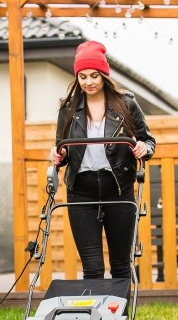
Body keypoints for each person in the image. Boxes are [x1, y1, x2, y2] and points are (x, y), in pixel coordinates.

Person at [48, 40, 155, 281]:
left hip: (118, 188)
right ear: (77, 77)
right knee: (93, 267)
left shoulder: (126, 104)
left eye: (94, 75)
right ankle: (95, 307)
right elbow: (62, 147)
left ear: (104, 75)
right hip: (81, 191)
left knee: (121, 264)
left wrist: (142, 148)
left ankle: (120, 307)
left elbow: (148, 141)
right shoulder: (68, 108)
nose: (89, 82)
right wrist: (57, 155)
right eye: (83, 76)